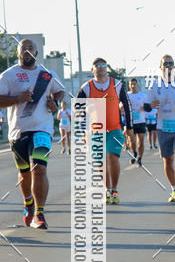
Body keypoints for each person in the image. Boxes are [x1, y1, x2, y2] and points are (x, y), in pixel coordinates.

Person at [0, 38, 65, 228]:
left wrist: (55, 100)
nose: (27, 51)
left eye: (31, 48)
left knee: (40, 168)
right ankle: (28, 201)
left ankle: (40, 213)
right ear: (18, 53)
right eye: (23, 48)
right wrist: (17, 99)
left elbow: (60, 92)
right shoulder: (8, 75)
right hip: (18, 132)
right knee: (25, 173)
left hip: (42, 129)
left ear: (36, 53)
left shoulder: (47, 75)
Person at [76, 58, 132, 204]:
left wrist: (129, 126)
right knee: (100, 162)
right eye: (97, 65)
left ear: (106, 68)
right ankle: (107, 189)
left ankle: (114, 190)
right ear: (92, 69)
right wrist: (83, 129)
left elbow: (127, 105)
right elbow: (78, 109)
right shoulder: (86, 88)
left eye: (103, 65)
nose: (101, 67)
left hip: (114, 128)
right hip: (95, 131)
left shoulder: (116, 84)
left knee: (113, 157)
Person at [145, 55, 175, 202]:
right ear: (160, 67)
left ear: (174, 67)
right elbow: (147, 106)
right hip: (163, 126)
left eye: (170, 63)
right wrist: (150, 106)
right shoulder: (154, 85)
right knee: (167, 160)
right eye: (165, 63)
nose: (168, 66)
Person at [127, 78, 147, 167]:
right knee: (132, 141)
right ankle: (134, 152)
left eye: (134, 84)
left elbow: (148, 107)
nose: (133, 86)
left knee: (141, 141)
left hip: (141, 121)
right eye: (131, 84)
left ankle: (140, 158)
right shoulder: (127, 95)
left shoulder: (143, 95)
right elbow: (120, 106)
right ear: (129, 85)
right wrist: (122, 106)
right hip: (130, 121)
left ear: (137, 85)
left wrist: (145, 108)